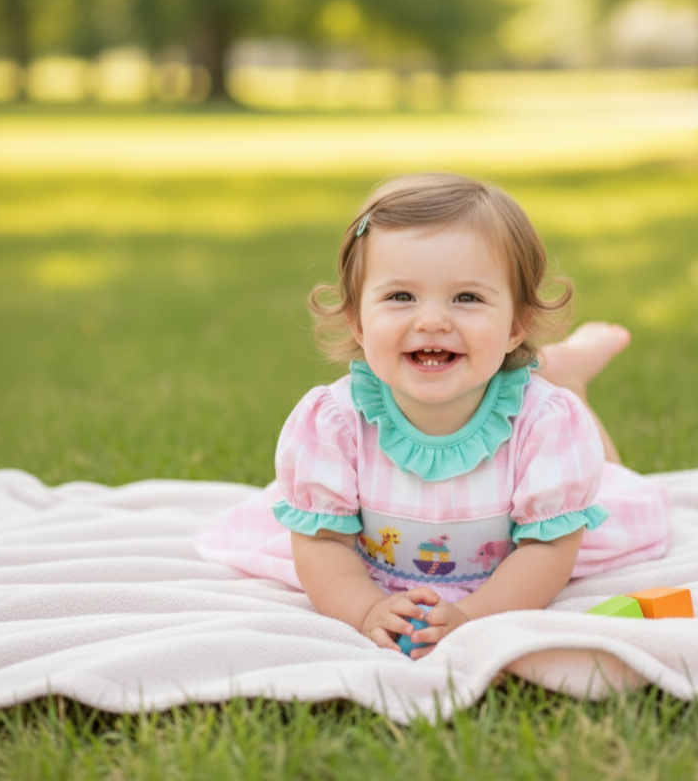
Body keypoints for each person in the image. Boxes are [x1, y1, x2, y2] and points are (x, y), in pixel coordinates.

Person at [195, 173, 670, 658]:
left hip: (520, 535)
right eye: (401, 296)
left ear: (516, 325)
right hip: (382, 563)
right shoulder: (335, 423)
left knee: (610, 475)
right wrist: (364, 609)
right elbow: (323, 544)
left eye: (467, 298)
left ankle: (568, 382)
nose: (432, 320)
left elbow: (549, 550)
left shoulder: (544, 426)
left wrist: (472, 617)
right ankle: (557, 368)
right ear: (358, 320)